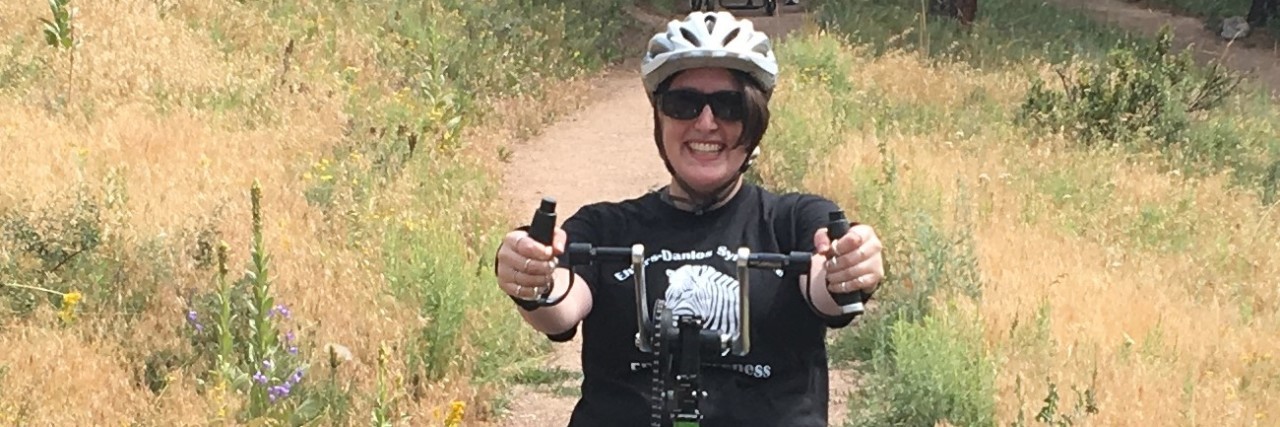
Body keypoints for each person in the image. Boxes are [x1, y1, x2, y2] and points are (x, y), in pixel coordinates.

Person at [493, 11, 884, 427]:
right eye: (683, 104)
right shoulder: (604, 227)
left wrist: (849, 266)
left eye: (730, 106)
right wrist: (530, 274)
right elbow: (559, 306)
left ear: (756, 121)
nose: (706, 123)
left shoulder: (792, 221)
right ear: (658, 119)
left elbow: (828, 287)